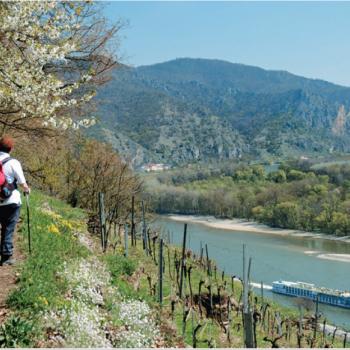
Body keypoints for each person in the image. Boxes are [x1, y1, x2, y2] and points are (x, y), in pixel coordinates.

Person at [0, 136, 30, 266]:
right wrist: (27, 189)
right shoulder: (13, 162)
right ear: (10, 149)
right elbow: (22, 182)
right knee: (8, 228)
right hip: (11, 201)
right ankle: (6, 257)